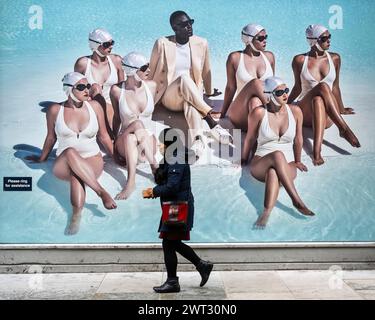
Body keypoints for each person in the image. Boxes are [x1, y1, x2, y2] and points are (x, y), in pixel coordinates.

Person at [25, 72, 117, 235]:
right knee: (70, 152)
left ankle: (76, 215)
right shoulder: (55, 110)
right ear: (68, 89)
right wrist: (42, 158)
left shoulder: (95, 106)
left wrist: (115, 157)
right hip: (64, 162)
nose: (87, 90)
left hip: (92, 160)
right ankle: (101, 191)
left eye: (88, 86)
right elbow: (51, 137)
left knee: (77, 176)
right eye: (81, 87)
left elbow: (103, 135)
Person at [148, 10, 232, 158]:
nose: (189, 27)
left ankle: (198, 141)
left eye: (190, 23)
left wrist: (209, 91)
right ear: (175, 28)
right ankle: (212, 122)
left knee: (191, 105)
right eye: (184, 24)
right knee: (184, 78)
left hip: (190, 96)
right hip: (169, 97)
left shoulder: (201, 43)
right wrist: (147, 100)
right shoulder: (162, 43)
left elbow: (206, 71)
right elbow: (152, 71)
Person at [143, 128, 214, 293]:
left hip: (178, 206)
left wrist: (153, 192)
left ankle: (173, 281)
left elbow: (172, 187)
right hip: (174, 206)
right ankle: (201, 266)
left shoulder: (176, 159)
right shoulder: (171, 158)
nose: (160, 145)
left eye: (162, 142)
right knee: (172, 242)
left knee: (168, 242)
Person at [242, 77, 314, 228]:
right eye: (280, 92)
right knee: (277, 155)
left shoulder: (295, 111)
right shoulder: (259, 113)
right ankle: (296, 200)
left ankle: (266, 213)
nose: (285, 95)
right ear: (269, 95)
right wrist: (243, 160)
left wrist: (298, 160)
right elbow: (249, 139)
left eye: (286, 90)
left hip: (288, 165)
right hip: (261, 161)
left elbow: (299, 138)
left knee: (274, 172)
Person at [288, 24, 360, 166]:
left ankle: (317, 152)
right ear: (313, 41)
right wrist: (284, 105)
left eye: (329, 37)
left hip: (327, 117)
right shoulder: (300, 60)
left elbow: (336, 86)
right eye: (324, 38)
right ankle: (343, 129)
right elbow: (297, 87)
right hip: (305, 113)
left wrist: (342, 108)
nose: (329, 40)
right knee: (322, 87)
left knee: (318, 100)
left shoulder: (335, 59)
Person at [111, 52, 159, 200]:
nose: (149, 71)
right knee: (135, 127)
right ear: (132, 70)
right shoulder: (117, 90)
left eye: (148, 66)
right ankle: (154, 168)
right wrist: (113, 140)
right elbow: (117, 117)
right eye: (144, 68)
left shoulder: (151, 86)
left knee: (134, 136)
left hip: (147, 144)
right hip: (124, 143)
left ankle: (130, 183)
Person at [221, 23, 275, 131]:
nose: (265, 40)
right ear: (249, 40)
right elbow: (230, 88)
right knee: (255, 83)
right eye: (261, 38)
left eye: (266, 37)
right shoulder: (235, 58)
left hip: (260, 112)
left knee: (254, 101)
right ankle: (278, 113)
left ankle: (254, 144)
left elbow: (273, 86)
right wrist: (222, 114)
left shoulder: (269, 57)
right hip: (240, 113)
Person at [75, 28, 124, 138]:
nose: (111, 46)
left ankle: (108, 133)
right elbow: (76, 91)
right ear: (96, 45)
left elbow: (123, 89)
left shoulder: (116, 60)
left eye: (112, 43)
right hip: (91, 104)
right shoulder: (82, 64)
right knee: (96, 88)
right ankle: (107, 132)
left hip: (112, 104)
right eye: (106, 44)